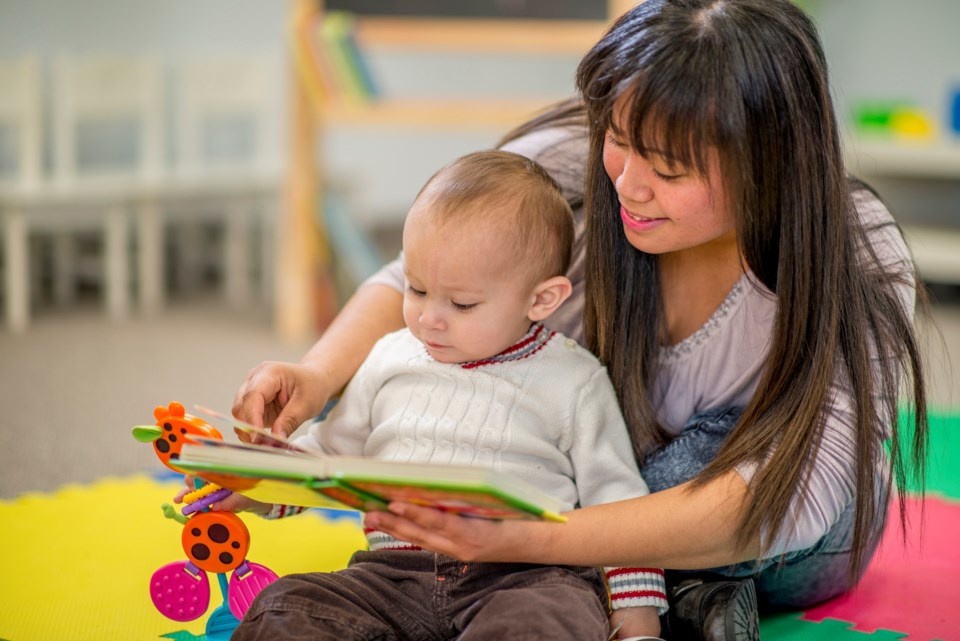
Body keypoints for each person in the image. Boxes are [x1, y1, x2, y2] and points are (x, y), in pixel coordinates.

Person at [232, 1, 931, 640]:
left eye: (671, 168)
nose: (627, 183)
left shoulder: (856, 250)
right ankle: (683, 596)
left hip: (783, 527)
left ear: (769, 167)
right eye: (621, 138)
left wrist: (523, 538)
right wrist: (316, 377)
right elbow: (430, 275)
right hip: (579, 496)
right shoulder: (569, 161)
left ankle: (677, 585)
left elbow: (790, 499)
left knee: (626, 470)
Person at [215, 150, 668, 640]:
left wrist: (638, 618)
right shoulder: (389, 356)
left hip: (523, 575)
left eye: (462, 303)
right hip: (389, 578)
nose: (429, 318)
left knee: (547, 623)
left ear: (541, 299)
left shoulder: (574, 379)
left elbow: (618, 504)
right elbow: (327, 456)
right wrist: (254, 484)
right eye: (415, 288)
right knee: (285, 608)